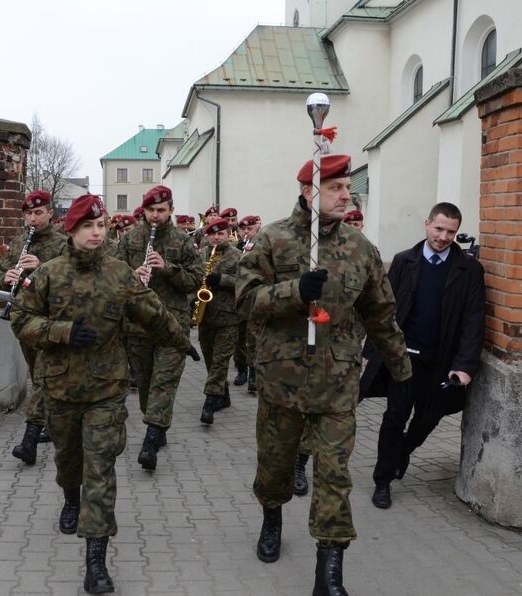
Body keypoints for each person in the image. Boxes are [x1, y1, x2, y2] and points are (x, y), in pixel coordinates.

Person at [236, 154, 411, 595]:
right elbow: (246, 299)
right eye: (336, 188)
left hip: (337, 384)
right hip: (282, 381)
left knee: (334, 475)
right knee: (275, 467)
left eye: (347, 188)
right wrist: (294, 291)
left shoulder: (360, 248)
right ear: (309, 191)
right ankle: (272, 518)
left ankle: (328, 571)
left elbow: (381, 313)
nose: (346, 195)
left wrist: (401, 368)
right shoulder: (273, 239)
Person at [10, 194, 193, 594]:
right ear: (71, 230)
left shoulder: (118, 273)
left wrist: (182, 343)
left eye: (100, 226)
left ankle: (96, 561)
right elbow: (21, 320)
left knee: (101, 471)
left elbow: (153, 313)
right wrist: (61, 332)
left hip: (106, 390)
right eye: (87, 227)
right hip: (60, 388)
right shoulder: (48, 274)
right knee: (68, 461)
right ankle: (70, 498)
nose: (96, 233)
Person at [361, 202, 485, 510]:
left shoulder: (469, 269)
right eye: (438, 229)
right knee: (394, 418)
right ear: (427, 224)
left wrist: (464, 365)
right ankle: (382, 480)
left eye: (450, 232)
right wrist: (371, 352)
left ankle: (402, 453)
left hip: (442, 361)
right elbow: (384, 310)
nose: (443, 237)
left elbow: (473, 319)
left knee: (428, 419)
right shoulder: (404, 261)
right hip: (404, 359)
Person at [115, 185, 204, 471]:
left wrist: (168, 268)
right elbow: (111, 275)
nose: (155, 216)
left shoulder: (183, 241)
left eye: (161, 210)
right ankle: (157, 424)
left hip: (172, 325)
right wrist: (132, 275)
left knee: (164, 382)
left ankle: (150, 440)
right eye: (151, 210)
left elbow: (195, 280)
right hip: (138, 324)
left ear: (171, 210)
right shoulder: (130, 239)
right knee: (145, 382)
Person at [0, 189, 69, 465]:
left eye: (38, 213)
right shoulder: (19, 242)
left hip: (51, 318)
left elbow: (70, 278)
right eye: (28, 214)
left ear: (50, 213)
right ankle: (51, 422)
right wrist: (6, 276)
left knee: (44, 373)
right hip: (24, 317)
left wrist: (42, 265)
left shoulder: (63, 243)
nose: (33, 219)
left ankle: (35, 432)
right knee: (37, 372)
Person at [195, 217, 242, 425]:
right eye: (212, 234)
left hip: (228, 317)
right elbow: (193, 278)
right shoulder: (201, 254)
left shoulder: (237, 256)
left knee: (220, 362)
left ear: (228, 235)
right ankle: (223, 395)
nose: (216, 238)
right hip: (206, 316)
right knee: (210, 360)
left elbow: (244, 282)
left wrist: (221, 280)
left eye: (220, 234)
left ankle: (209, 403)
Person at [233, 215, 262, 390]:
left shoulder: (262, 245)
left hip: (253, 298)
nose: (246, 232)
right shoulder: (237, 247)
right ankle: (241, 370)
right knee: (238, 338)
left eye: (249, 229)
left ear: (256, 228)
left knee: (252, 338)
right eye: (242, 229)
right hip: (238, 299)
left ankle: (253, 373)